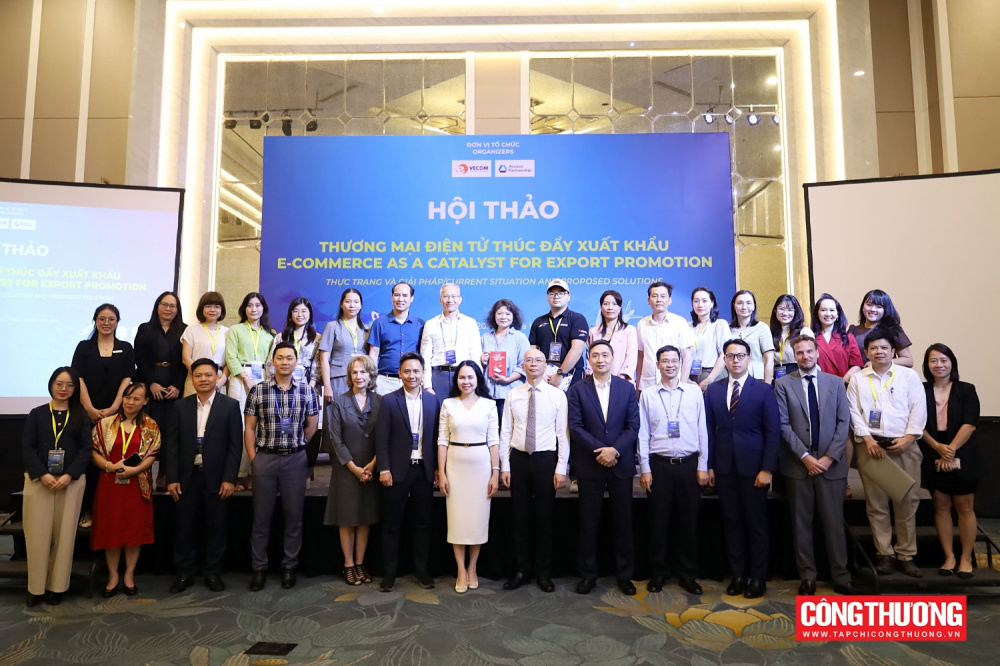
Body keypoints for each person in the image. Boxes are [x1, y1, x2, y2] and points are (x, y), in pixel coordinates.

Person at [774, 335, 853, 596]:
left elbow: (844, 423)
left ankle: (841, 576)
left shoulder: (836, 383)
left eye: (809, 351)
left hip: (832, 466)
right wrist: (806, 457)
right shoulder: (783, 384)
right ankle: (808, 577)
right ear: (794, 356)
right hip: (799, 466)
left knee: (834, 523)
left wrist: (829, 458)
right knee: (802, 525)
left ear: (817, 353)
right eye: (799, 352)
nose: (805, 356)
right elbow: (783, 425)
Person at [846, 329, 927, 577]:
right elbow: (853, 412)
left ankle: (906, 555)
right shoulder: (858, 379)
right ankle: (885, 554)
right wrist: (868, 439)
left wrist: (909, 438)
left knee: (907, 503)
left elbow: (919, 409)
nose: (879, 352)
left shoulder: (909, 376)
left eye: (884, 348)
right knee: (876, 504)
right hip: (872, 447)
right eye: (873, 348)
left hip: (905, 446)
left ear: (893, 351)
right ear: (866, 352)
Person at [705, 339, 779, 598]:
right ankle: (738, 575)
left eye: (740, 356)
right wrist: (710, 466)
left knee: (756, 524)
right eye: (730, 356)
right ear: (724, 360)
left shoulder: (763, 390)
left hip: (754, 469)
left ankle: (758, 578)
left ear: (749, 359)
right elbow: (709, 431)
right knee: (732, 523)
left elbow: (773, 432)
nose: (735, 360)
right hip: (724, 468)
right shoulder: (713, 391)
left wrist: (767, 468)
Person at [244, 341, 319, 591]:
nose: (285, 362)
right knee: (261, 517)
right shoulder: (258, 390)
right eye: (280, 357)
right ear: (272, 362)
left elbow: (312, 425)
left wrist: (298, 445)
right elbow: (250, 428)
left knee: (293, 516)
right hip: (265, 459)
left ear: (296, 362)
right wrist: (254, 459)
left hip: (294, 460)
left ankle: (289, 567)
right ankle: (259, 568)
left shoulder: (306, 391)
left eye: (289, 358)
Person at [568, 340, 640, 595]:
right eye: (595, 355)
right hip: (590, 464)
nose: (600, 359)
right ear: (589, 360)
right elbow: (576, 427)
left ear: (613, 358)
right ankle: (588, 575)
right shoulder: (577, 389)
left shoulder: (627, 388)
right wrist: (601, 451)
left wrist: (615, 450)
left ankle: (625, 576)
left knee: (623, 523)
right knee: (589, 524)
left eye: (605, 355)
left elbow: (633, 426)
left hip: (621, 465)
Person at [165, 358, 243, 594]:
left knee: (216, 528)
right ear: (192, 378)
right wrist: (172, 478)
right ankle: (184, 573)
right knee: (184, 527)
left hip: (217, 478)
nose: (203, 379)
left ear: (217, 377)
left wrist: (230, 478)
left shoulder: (229, 406)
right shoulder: (180, 406)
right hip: (186, 477)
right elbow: (172, 445)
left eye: (208, 375)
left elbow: (235, 446)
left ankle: (213, 573)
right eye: (198, 375)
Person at [637, 345, 709, 596]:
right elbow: (642, 433)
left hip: (689, 465)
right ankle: (658, 573)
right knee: (658, 522)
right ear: (657, 365)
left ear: (680, 363)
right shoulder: (648, 394)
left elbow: (702, 430)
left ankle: (688, 575)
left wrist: (702, 465)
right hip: (659, 466)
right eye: (664, 361)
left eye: (673, 360)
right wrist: (645, 468)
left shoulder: (693, 392)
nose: (669, 365)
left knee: (687, 523)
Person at [499, 348, 569, 593]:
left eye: (538, 360)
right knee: (519, 518)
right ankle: (521, 570)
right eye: (528, 360)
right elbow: (505, 432)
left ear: (546, 365)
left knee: (544, 518)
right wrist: (505, 465)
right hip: (519, 460)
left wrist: (561, 468)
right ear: (523, 366)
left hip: (545, 461)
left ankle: (543, 572)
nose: (533, 364)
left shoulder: (557, 396)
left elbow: (563, 435)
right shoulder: (513, 394)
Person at [20, 367, 91, 606]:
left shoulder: (81, 415)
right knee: (37, 536)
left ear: (75, 389)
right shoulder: (37, 413)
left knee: (64, 537)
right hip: (40, 482)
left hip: (70, 483)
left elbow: (86, 449)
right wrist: (43, 474)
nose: (64, 389)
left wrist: (69, 475)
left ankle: (57, 587)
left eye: (70, 385)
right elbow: (27, 447)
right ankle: (36, 588)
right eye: (59, 384)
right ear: (51, 384)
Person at [90, 382, 161, 596]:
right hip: (110, 483)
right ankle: (113, 575)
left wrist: (135, 469)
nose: (131, 402)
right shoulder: (106, 423)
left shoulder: (151, 426)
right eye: (127, 397)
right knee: (111, 529)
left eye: (136, 398)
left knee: (134, 530)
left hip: (137, 485)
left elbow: (152, 454)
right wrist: (109, 466)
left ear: (145, 401)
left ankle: (129, 575)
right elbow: (94, 452)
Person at [376, 351, 438, 592]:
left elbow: (436, 439)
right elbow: (382, 439)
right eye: (407, 371)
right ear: (400, 373)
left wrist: (437, 469)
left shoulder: (433, 401)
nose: (412, 375)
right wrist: (384, 468)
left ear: (423, 373)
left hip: (424, 470)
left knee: (423, 523)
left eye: (416, 371)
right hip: (396, 471)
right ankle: (390, 573)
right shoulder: (389, 401)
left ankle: (421, 570)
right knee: (392, 524)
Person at [437, 360, 500, 593]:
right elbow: (442, 441)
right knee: (457, 521)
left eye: (470, 377)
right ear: (456, 380)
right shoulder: (448, 404)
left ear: (478, 379)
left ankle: (472, 567)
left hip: (481, 467)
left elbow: (494, 441)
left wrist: (495, 473)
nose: (466, 381)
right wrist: (442, 473)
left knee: (477, 521)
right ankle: (460, 570)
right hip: (454, 466)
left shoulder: (489, 405)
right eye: (462, 377)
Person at [72, 303, 135, 528]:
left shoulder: (126, 348)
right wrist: (89, 408)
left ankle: (110, 512)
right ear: (95, 321)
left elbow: (127, 379)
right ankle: (87, 510)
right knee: (89, 462)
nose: (106, 323)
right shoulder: (84, 347)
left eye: (111, 319)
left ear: (117, 322)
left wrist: (115, 407)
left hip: (117, 412)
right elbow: (77, 379)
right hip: (87, 413)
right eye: (102, 319)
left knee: (113, 459)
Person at [920, 344, 980, 578]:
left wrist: (951, 450)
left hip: (962, 449)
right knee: (941, 505)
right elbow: (916, 423)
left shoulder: (966, 389)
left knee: (964, 506)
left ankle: (966, 558)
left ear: (952, 362)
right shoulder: (921, 389)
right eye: (933, 361)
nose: (939, 365)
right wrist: (937, 447)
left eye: (943, 360)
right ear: (927, 365)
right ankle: (949, 557)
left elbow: (970, 423)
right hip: (932, 448)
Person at [324, 354, 382, 587]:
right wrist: (354, 469)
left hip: (371, 468)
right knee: (347, 519)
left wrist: (373, 464)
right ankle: (348, 565)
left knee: (365, 518)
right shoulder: (340, 402)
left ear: (371, 375)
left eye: (363, 372)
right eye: (355, 372)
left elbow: (384, 436)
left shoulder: (380, 401)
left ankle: (360, 563)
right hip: (347, 469)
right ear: (349, 376)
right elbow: (335, 440)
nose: (359, 376)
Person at [134, 291, 187, 490]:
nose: (168, 309)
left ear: (177, 310)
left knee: (171, 430)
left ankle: (164, 474)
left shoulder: (185, 330)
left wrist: (178, 385)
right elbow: (139, 358)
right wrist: (151, 383)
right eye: (164, 304)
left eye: (172, 306)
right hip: (152, 383)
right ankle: (144, 471)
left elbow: (185, 361)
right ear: (157, 306)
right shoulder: (145, 328)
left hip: (174, 383)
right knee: (149, 428)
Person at [224, 292, 276, 490]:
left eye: (257, 305)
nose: (254, 309)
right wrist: (246, 378)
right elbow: (231, 357)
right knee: (239, 426)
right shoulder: (235, 330)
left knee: (261, 427)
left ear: (263, 308)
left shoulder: (270, 333)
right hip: (240, 378)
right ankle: (238, 474)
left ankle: (255, 473)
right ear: (244, 309)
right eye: (250, 305)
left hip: (263, 378)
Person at [420, 283, 482, 398]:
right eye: (446, 296)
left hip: (464, 377)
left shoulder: (470, 323)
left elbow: (476, 354)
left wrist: (477, 381)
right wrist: (427, 385)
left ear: (460, 300)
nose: (450, 300)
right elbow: (425, 357)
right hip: (438, 376)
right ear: (440, 300)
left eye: (454, 296)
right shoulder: (430, 324)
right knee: (437, 409)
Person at [528, 279, 589, 390]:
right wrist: (539, 374)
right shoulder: (538, 322)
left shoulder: (577, 319)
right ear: (547, 296)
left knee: (570, 402)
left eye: (561, 293)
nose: (556, 296)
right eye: (552, 293)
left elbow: (577, 350)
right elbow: (533, 352)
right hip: (544, 377)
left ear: (568, 296)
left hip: (571, 377)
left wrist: (560, 374)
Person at [636, 282, 695, 391]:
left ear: (669, 300)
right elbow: (640, 356)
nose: (659, 300)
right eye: (655, 296)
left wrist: (683, 384)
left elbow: (687, 355)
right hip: (648, 385)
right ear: (649, 300)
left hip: (674, 384)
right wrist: (638, 385)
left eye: (663, 296)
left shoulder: (680, 322)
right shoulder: (642, 324)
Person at [368, 282, 424, 396]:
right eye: (397, 295)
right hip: (385, 381)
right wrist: (372, 380)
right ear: (392, 297)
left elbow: (423, 354)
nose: (400, 299)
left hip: (411, 380)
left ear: (411, 298)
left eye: (405, 295)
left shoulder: (420, 324)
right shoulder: (379, 323)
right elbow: (373, 354)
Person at [480, 298, 529, 427]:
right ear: (494, 316)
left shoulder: (520, 338)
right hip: (487, 393)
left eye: (508, 314)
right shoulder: (485, 337)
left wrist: (508, 379)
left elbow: (524, 364)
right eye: (500, 313)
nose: (503, 317)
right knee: (488, 430)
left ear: (513, 316)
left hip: (510, 392)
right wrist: (482, 360)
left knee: (506, 431)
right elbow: (477, 366)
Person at [320, 288, 370, 402]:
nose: (352, 305)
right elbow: (323, 358)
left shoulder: (367, 329)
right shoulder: (332, 326)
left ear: (361, 305)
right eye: (348, 301)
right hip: (339, 379)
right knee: (339, 411)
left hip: (361, 379)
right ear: (341, 305)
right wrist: (327, 386)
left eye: (356, 302)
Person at [849, 289, 914, 367]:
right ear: (863, 306)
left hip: (885, 374)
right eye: (869, 305)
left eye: (879, 306)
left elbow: (908, 361)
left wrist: (879, 362)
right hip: (857, 374)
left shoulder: (893, 330)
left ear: (886, 310)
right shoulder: (853, 330)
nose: (873, 309)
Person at [181, 292, 229, 397]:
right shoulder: (191, 329)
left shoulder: (227, 332)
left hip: (218, 380)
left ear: (222, 310)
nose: (212, 310)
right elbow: (186, 358)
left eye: (217, 307)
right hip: (196, 377)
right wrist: (199, 376)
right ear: (201, 308)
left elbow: (229, 361)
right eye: (208, 306)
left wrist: (222, 380)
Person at [267, 297, 321, 387]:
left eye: (304, 311)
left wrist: (311, 386)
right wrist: (275, 384)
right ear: (290, 314)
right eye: (296, 311)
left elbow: (318, 364)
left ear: (309, 314)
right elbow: (271, 362)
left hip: (308, 383)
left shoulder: (317, 338)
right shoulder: (281, 337)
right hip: (282, 382)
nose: (299, 315)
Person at [587, 290, 637, 384]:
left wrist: (620, 378)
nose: (610, 308)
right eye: (606, 304)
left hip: (622, 382)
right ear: (601, 308)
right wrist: (590, 376)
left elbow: (631, 357)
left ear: (620, 308)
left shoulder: (629, 330)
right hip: (596, 382)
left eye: (614, 304)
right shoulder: (593, 332)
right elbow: (589, 357)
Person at [811, 294, 862, 384]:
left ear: (838, 314)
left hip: (843, 385)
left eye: (832, 310)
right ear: (817, 314)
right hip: (819, 385)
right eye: (823, 310)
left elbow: (857, 365)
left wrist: (843, 381)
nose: (828, 314)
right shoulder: (810, 338)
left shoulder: (848, 337)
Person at [729, 290, 775, 383]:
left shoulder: (762, 328)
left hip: (757, 378)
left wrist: (767, 385)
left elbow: (769, 360)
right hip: (732, 377)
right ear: (734, 306)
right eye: (740, 303)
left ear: (754, 306)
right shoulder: (727, 329)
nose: (744, 307)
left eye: (748, 303)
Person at [689, 286, 729, 391]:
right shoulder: (687, 326)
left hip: (714, 375)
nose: (700, 305)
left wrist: (709, 379)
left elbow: (724, 354)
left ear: (712, 303)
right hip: (692, 377)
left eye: (704, 301)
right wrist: (687, 380)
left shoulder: (720, 324)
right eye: (696, 301)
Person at [769, 294, 814, 380]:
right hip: (777, 378)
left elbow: (811, 358)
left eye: (790, 310)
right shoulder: (770, 333)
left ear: (795, 312)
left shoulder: (804, 332)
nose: (785, 313)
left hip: (799, 375)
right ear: (775, 310)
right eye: (782, 309)